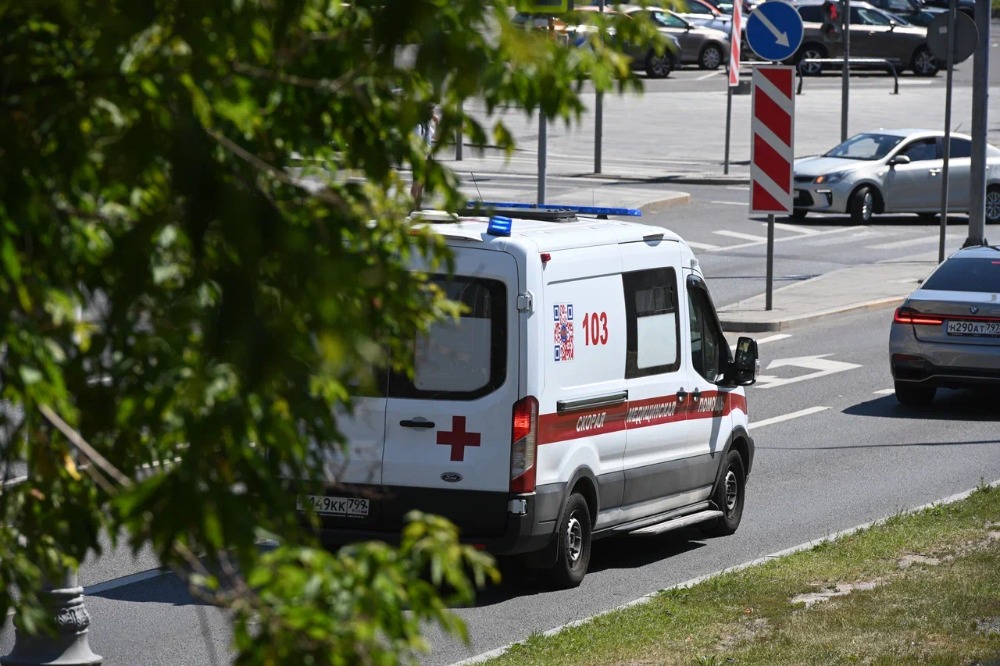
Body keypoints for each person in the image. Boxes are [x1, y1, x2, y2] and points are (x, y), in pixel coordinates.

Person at [410, 102, 439, 209]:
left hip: (425, 158)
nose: (432, 114)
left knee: (421, 185)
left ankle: (417, 207)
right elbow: (416, 143)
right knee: (417, 184)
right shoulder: (419, 126)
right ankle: (411, 207)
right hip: (419, 158)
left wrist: (437, 123)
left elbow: (436, 137)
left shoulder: (427, 126)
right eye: (431, 111)